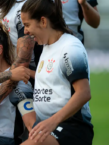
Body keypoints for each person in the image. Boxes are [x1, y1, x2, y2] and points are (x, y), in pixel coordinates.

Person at [19, 0, 93, 144]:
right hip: (47, 125)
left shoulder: (70, 47)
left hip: (70, 127)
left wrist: (52, 122)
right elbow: (54, 79)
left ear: (43, 21)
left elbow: (84, 93)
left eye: (27, 25)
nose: (25, 31)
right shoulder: (47, 46)